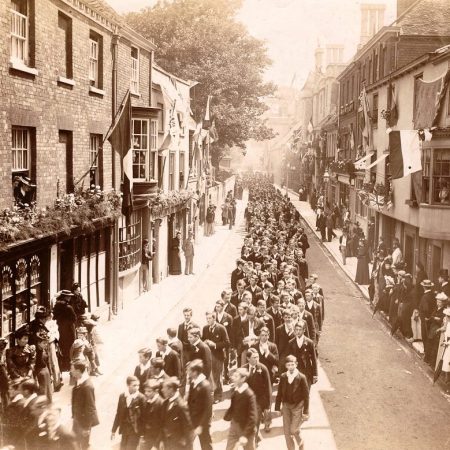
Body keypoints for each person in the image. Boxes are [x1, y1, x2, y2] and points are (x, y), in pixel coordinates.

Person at [275, 355, 310, 450]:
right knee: (287, 432)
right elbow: (279, 394)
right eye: (288, 365)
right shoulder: (283, 376)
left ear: (296, 364)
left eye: (292, 365)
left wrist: (306, 412)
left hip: (297, 406)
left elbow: (306, 396)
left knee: (294, 430)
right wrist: (277, 408)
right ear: (286, 366)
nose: (290, 367)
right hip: (286, 406)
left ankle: (301, 442)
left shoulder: (301, 377)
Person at [224, 368, 257, 450]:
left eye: (236, 376)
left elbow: (253, 417)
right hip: (234, 425)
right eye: (233, 375)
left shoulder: (249, 394)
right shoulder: (235, 391)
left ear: (243, 379)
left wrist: (245, 435)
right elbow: (233, 407)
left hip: (246, 428)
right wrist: (228, 416)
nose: (233, 378)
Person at [243, 349, 272, 443]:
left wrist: (267, 406)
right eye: (254, 357)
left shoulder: (263, 369)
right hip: (247, 402)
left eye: (257, 357)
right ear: (248, 358)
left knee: (255, 423)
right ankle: (257, 437)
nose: (257, 359)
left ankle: (254, 443)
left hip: (259, 401)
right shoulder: (244, 369)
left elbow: (268, 388)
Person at [111, 375, 146, 450]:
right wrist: (113, 430)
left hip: (135, 430)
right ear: (128, 385)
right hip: (124, 429)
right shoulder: (122, 396)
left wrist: (142, 434)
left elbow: (144, 418)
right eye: (134, 385)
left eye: (138, 385)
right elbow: (118, 414)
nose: (137, 387)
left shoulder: (141, 398)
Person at [71, 360, 99, 449]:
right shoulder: (79, 381)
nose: (70, 371)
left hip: (84, 423)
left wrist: (87, 428)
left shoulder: (87, 386)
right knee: (75, 443)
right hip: (78, 420)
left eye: (72, 369)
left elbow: (90, 408)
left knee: (83, 446)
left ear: (78, 371)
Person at [202, 312, 229, 403]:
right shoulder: (205, 328)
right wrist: (204, 342)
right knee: (210, 376)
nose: (208, 320)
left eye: (209, 318)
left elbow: (227, 343)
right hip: (208, 356)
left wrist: (215, 345)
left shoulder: (221, 328)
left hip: (218, 356)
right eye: (207, 319)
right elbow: (203, 339)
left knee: (217, 376)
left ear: (214, 318)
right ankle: (210, 394)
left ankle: (218, 396)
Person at [187, 359, 213, 450]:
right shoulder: (192, 383)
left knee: (206, 444)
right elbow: (190, 402)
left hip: (203, 422)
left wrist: (201, 425)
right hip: (193, 420)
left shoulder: (205, 386)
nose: (187, 372)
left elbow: (208, 409)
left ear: (195, 372)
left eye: (189, 370)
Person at [161, 377, 193, 450]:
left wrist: (187, 445)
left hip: (179, 446)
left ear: (171, 389)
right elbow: (162, 424)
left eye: (164, 388)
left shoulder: (181, 406)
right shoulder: (165, 403)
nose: (162, 390)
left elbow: (188, 428)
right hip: (167, 444)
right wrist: (162, 441)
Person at [287, 321, 318, 387]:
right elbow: (289, 359)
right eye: (296, 330)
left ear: (304, 330)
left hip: (307, 370)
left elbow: (314, 359)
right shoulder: (291, 342)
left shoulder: (309, 343)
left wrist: (315, 374)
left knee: (306, 393)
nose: (298, 332)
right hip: (295, 371)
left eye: (300, 330)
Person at [52, 290, 77, 371]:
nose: (70, 297)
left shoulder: (56, 306)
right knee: (69, 346)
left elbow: (54, 317)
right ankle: (67, 365)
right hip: (68, 329)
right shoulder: (68, 307)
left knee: (62, 346)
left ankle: (62, 364)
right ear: (65, 297)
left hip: (59, 329)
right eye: (68, 296)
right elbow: (74, 319)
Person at [141, 379, 164, 449]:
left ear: (156, 391)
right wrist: (142, 436)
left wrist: (156, 444)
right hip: (147, 438)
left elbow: (163, 425)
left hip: (156, 439)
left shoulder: (161, 403)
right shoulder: (146, 401)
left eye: (149, 391)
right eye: (145, 391)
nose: (146, 393)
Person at [34, 330, 53, 402]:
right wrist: (35, 378)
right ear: (39, 343)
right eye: (44, 343)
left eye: (46, 343)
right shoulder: (35, 352)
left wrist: (51, 374)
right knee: (43, 391)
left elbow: (48, 362)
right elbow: (33, 366)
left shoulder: (45, 350)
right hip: (40, 373)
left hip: (46, 372)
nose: (46, 345)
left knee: (49, 391)